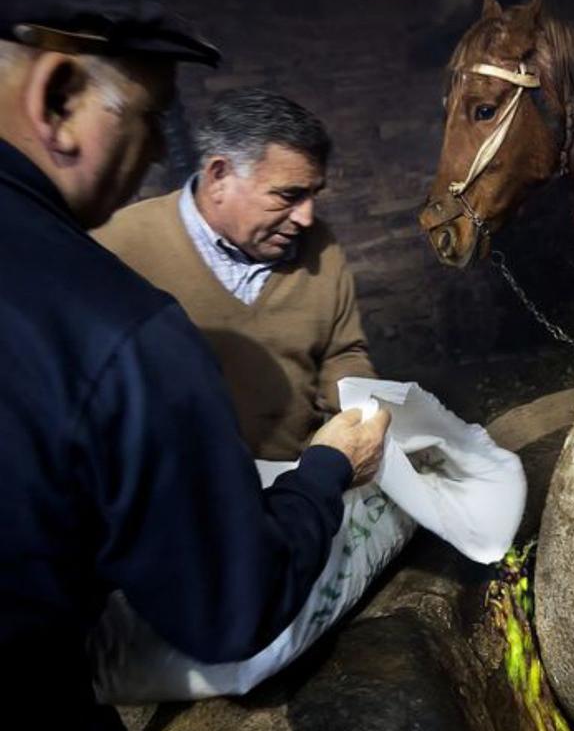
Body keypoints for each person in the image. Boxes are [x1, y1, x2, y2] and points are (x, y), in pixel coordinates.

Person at [0, 0, 388, 731]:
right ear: (62, 93)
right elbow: (231, 601)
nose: (306, 220)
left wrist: (358, 403)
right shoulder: (117, 286)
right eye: (154, 117)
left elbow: (350, 356)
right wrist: (321, 472)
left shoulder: (323, 264)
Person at [94, 88, 375, 460]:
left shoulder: (320, 246)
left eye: (313, 195)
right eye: (288, 195)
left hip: (296, 490)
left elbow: (342, 354)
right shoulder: (118, 247)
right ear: (219, 175)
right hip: (174, 498)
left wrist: (369, 418)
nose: (306, 217)